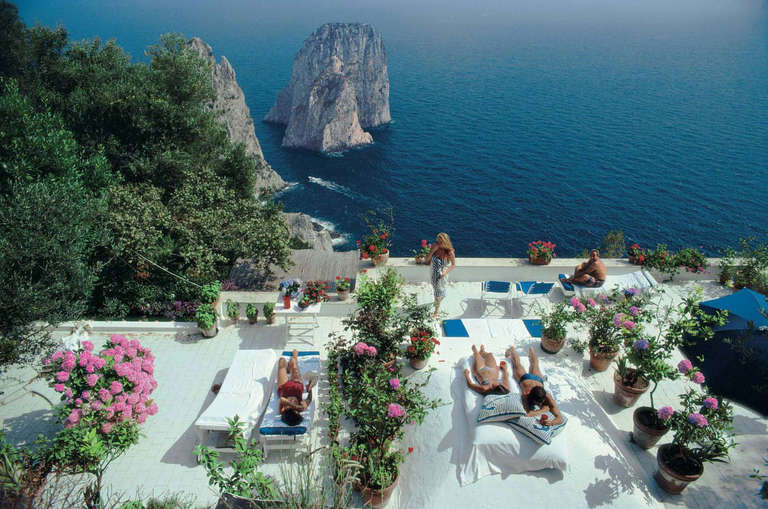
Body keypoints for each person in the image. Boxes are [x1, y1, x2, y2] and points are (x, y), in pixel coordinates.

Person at [505, 346, 563, 425]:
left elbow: (560, 418)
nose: (539, 405)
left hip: (537, 380)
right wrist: (543, 410)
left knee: (534, 364)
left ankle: (531, 352)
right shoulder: (526, 394)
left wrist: (551, 422)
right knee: (516, 363)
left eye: (540, 402)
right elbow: (527, 413)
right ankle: (512, 351)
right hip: (525, 379)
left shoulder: (548, 397)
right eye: (538, 403)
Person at [277, 349, 314, 426]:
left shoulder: (283, 410)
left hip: (284, 387)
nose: (297, 411)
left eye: (295, 411)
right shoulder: (301, 408)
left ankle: (288, 368)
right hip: (297, 386)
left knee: (281, 361)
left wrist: (295, 406)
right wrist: (310, 388)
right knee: (293, 362)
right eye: (298, 412)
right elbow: (309, 399)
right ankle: (294, 360)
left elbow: (282, 399)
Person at [425, 232, 456, 318]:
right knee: (436, 290)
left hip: (442, 275)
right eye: (437, 241)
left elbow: (453, 264)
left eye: (440, 242)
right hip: (433, 273)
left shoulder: (449, 252)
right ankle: (440, 297)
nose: (438, 243)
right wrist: (432, 251)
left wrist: (445, 272)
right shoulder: (435, 247)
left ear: (445, 242)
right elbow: (427, 260)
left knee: (437, 294)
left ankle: (436, 311)